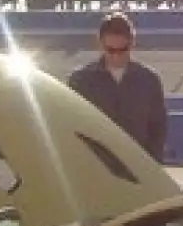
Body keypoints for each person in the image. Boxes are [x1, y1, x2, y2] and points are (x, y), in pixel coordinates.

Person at [67, 12, 167, 161]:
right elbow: (71, 127)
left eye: (122, 50)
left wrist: (153, 163)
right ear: (100, 44)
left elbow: (158, 127)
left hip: (138, 167)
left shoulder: (149, 80)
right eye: (110, 50)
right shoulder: (80, 81)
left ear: (132, 43)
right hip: (95, 168)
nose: (116, 56)